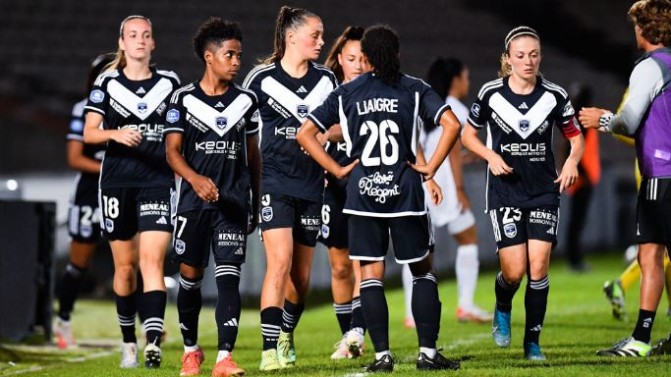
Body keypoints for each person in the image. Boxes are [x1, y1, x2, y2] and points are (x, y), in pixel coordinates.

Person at [297, 24, 462, 372]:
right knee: (421, 270)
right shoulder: (415, 89)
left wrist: (337, 169)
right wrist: (430, 166)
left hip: (363, 197)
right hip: (404, 194)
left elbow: (305, 133)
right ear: (397, 54)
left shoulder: (348, 93)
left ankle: (382, 356)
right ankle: (428, 354)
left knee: (370, 273)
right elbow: (452, 125)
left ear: (367, 58)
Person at [461, 26, 584, 360]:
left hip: (544, 190)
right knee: (514, 271)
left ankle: (533, 343)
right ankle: (503, 305)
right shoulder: (490, 94)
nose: (527, 61)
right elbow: (468, 136)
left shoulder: (555, 96)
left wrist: (573, 161)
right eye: (520, 55)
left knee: (539, 267)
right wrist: (491, 156)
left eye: (533, 54)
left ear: (540, 56)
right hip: (505, 191)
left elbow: (576, 136)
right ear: (508, 59)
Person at [241, 6, 337, 370]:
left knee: (301, 278)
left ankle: (286, 332)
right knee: (279, 264)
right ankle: (268, 350)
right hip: (274, 182)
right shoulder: (260, 79)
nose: (321, 41)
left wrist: (326, 143)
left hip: (312, 185)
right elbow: (242, 126)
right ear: (291, 36)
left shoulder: (327, 80)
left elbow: (341, 123)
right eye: (316, 34)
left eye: (323, 34)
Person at [164, 18, 260, 377]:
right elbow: (172, 152)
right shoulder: (182, 99)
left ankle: (224, 357)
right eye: (229, 55)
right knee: (190, 277)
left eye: (239, 55)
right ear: (209, 57)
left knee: (228, 278)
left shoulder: (246, 102)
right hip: (192, 202)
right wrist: (196, 179)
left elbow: (254, 157)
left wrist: (256, 199)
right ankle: (191, 351)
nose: (237, 61)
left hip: (233, 203)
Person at [83, 15, 180, 368]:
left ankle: (152, 340)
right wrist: (115, 134)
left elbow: (178, 130)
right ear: (122, 43)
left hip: (156, 180)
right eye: (133, 35)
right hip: (117, 182)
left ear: (153, 44)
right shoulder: (106, 84)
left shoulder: (170, 83)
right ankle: (128, 344)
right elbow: (89, 133)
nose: (140, 40)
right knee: (124, 268)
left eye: (146, 35)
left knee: (151, 261)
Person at [579, 0, 671, 357]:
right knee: (651, 255)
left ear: (645, 29)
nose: (633, 31)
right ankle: (642, 339)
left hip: (660, 176)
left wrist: (602, 119)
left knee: (651, 256)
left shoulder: (649, 68)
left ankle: (641, 341)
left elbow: (627, 121)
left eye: (636, 24)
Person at [401, 57, 493, 327]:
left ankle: (410, 312)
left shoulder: (427, 104)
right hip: (443, 184)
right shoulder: (455, 108)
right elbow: (452, 149)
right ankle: (465, 305)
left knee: (419, 250)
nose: (467, 82)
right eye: (465, 76)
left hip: (419, 180)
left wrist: (464, 159)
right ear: (455, 80)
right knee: (469, 238)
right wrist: (461, 188)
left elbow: (429, 146)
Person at [54, 53, 115, 349]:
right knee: (79, 263)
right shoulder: (83, 109)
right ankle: (62, 321)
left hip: (121, 191)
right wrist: (113, 168)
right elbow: (75, 158)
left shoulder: (131, 110)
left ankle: (149, 327)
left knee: (137, 260)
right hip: (91, 193)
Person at [320, 25, 369, 360]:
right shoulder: (328, 94)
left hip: (368, 184)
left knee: (364, 262)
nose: (358, 64)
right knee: (339, 266)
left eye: (364, 58)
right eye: (351, 58)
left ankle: (356, 331)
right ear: (339, 59)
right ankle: (347, 337)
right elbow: (317, 132)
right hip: (333, 184)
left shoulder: (382, 93)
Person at [563, 83, 601, 272]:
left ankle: (575, 259)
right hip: (582, 178)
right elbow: (575, 148)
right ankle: (575, 260)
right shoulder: (580, 120)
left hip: (583, 176)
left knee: (577, 221)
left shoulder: (574, 119)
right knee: (576, 221)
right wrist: (581, 174)